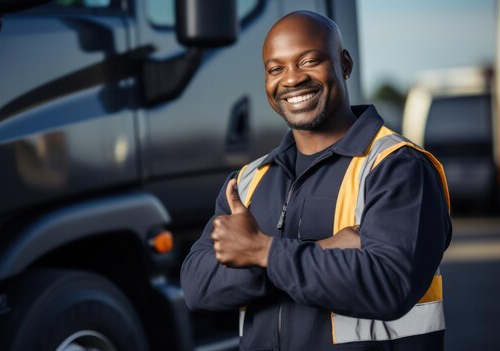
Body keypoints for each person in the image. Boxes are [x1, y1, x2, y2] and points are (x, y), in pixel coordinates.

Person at [181, 10, 451, 351]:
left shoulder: (397, 167)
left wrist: (262, 252)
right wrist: (315, 250)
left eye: (309, 61)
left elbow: (389, 285)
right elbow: (196, 287)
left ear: (345, 64)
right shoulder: (249, 181)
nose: (292, 79)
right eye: (276, 69)